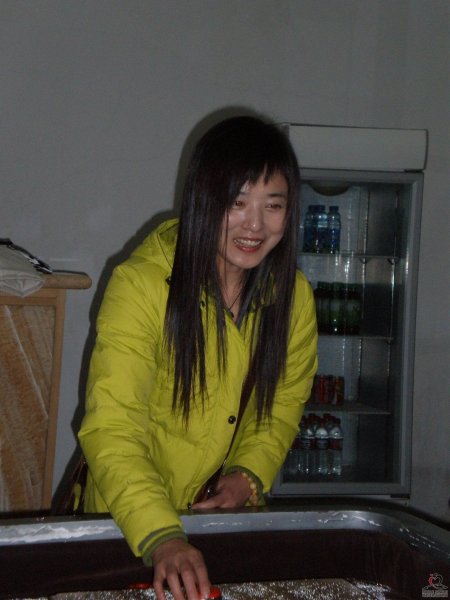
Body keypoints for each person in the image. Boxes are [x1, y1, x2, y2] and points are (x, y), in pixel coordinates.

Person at [78, 114, 318, 600]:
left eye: (273, 205)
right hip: (131, 527)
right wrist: (162, 534)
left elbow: (283, 405)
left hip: (226, 525)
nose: (255, 225)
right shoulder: (141, 286)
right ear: (204, 200)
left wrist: (247, 477)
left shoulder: (292, 297)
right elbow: (112, 425)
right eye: (237, 202)